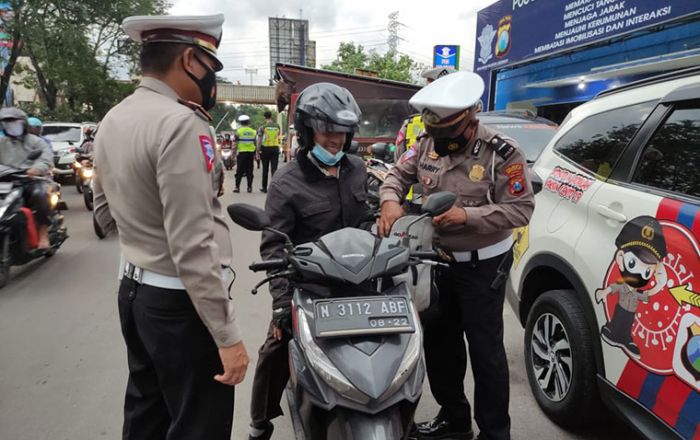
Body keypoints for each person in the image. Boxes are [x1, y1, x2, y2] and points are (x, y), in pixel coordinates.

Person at [92, 13, 248, 440]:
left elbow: (103, 210)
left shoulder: (115, 118)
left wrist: (143, 230)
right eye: (211, 68)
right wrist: (228, 336)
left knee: (148, 414)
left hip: (134, 292)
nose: (212, 80)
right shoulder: (181, 124)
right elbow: (193, 245)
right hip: (181, 305)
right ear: (189, 60)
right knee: (200, 425)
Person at [378, 71, 535, 440]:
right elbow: (397, 176)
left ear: (470, 117)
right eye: (436, 131)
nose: (441, 140)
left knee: (486, 352)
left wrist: (469, 215)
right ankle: (454, 419)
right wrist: (389, 201)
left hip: (484, 266)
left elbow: (521, 209)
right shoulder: (427, 142)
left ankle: (495, 432)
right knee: (441, 345)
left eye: (448, 131)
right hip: (436, 263)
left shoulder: (503, 152)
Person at [247, 82, 371, 440]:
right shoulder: (286, 181)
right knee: (275, 348)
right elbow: (273, 245)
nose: (336, 141)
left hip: (359, 279)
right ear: (306, 131)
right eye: (327, 131)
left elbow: (365, 220)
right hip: (309, 285)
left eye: (343, 134)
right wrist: (282, 304)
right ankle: (260, 422)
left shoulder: (358, 169)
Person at [0, 107, 54, 249]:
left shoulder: (36, 142)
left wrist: (36, 169)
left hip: (32, 181)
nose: (10, 126)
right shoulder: (1, 143)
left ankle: (43, 232)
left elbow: (46, 159)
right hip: (7, 182)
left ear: (23, 124)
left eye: (14, 123)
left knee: (39, 195)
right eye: (7, 124)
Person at [256, 110, 280, 193]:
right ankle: (274, 188)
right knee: (274, 169)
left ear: (264, 117)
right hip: (275, 148)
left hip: (265, 149)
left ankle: (264, 188)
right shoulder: (277, 126)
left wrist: (257, 152)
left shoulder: (262, 127)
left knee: (265, 169)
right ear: (271, 116)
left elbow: (259, 140)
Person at [233, 114, 256, 193]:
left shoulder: (238, 132)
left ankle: (237, 187)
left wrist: (233, 154)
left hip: (241, 153)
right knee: (250, 170)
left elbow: (235, 144)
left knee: (239, 170)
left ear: (240, 123)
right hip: (250, 153)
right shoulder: (253, 131)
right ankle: (249, 187)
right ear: (248, 122)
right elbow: (255, 143)